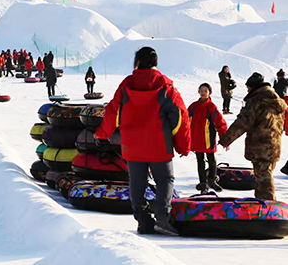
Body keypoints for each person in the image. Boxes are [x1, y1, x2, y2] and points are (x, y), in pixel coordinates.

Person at [94, 47, 191, 236]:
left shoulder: (127, 84)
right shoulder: (165, 85)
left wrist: (102, 133)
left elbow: (113, 111)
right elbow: (180, 116)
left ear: (137, 62)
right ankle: (163, 218)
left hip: (132, 145)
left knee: (137, 182)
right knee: (165, 180)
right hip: (159, 145)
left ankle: (143, 221)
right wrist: (183, 145)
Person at [219, 73, 287, 200]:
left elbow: (242, 122)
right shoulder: (277, 101)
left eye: (249, 87)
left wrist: (226, 139)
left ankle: (268, 210)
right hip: (274, 145)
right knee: (264, 177)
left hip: (260, 146)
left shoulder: (257, 102)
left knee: (264, 180)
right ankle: (265, 206)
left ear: (254, 87)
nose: (247, 90)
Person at [188, 83, 228, 193]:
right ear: (198, 92)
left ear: (209, 92)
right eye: (201, 90)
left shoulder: (211, 107)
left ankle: (212, 180)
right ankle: (203, 183)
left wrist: (224, 136)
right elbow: (185, 120)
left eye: (205, 90)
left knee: (212, 160)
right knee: (200, 161)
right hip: (196, 139)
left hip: (208, 139)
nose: (203, 92)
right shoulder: (193, 106)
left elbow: (220, 122)